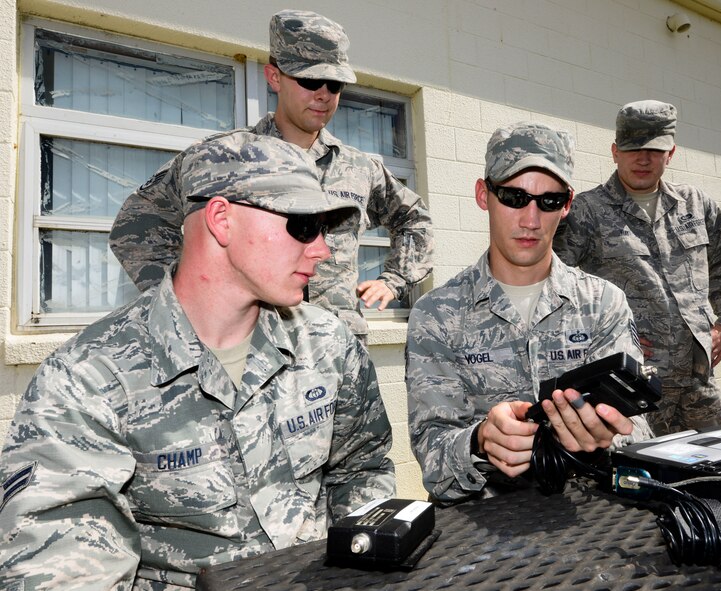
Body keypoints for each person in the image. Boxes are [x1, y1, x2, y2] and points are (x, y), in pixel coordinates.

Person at [0, 132, 395, 589]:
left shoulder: (328, 343)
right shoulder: (87, 379)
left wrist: (357, 564)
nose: (323, 249)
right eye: (303, 226)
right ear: (222, 219)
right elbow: (59, 570)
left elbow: (362, 469)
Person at [109, 10, 433, 340]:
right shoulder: (226, 157)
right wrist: (183, 302)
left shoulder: (359, 169)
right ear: (274, 77)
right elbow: (137, 223)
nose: (323, 94)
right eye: (309, 80)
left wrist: (394, 279)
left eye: (334, 84)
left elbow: (414, 219)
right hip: (253, 354)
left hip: (337, 352)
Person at [406, 122, 654, 505]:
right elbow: (433, 458)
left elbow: (639, 428)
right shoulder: (436, 316)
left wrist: (610, 433)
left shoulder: (603, 303)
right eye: (514, 197)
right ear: (483, 194)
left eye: (549, 201)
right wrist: (480, 441)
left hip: (591, 515)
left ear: (568, 204)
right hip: (483, 525)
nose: (531, 220)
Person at [554, 100, 721, 435]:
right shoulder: (586, 212)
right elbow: (555, 287)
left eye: (654, 149)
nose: (643, 159)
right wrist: (600, 338)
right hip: (634, 389)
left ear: (671, 152)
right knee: (646, 479)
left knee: (716, 476)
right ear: (615, 151)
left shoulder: (695, 205)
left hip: (699, 384)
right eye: (633, 149)